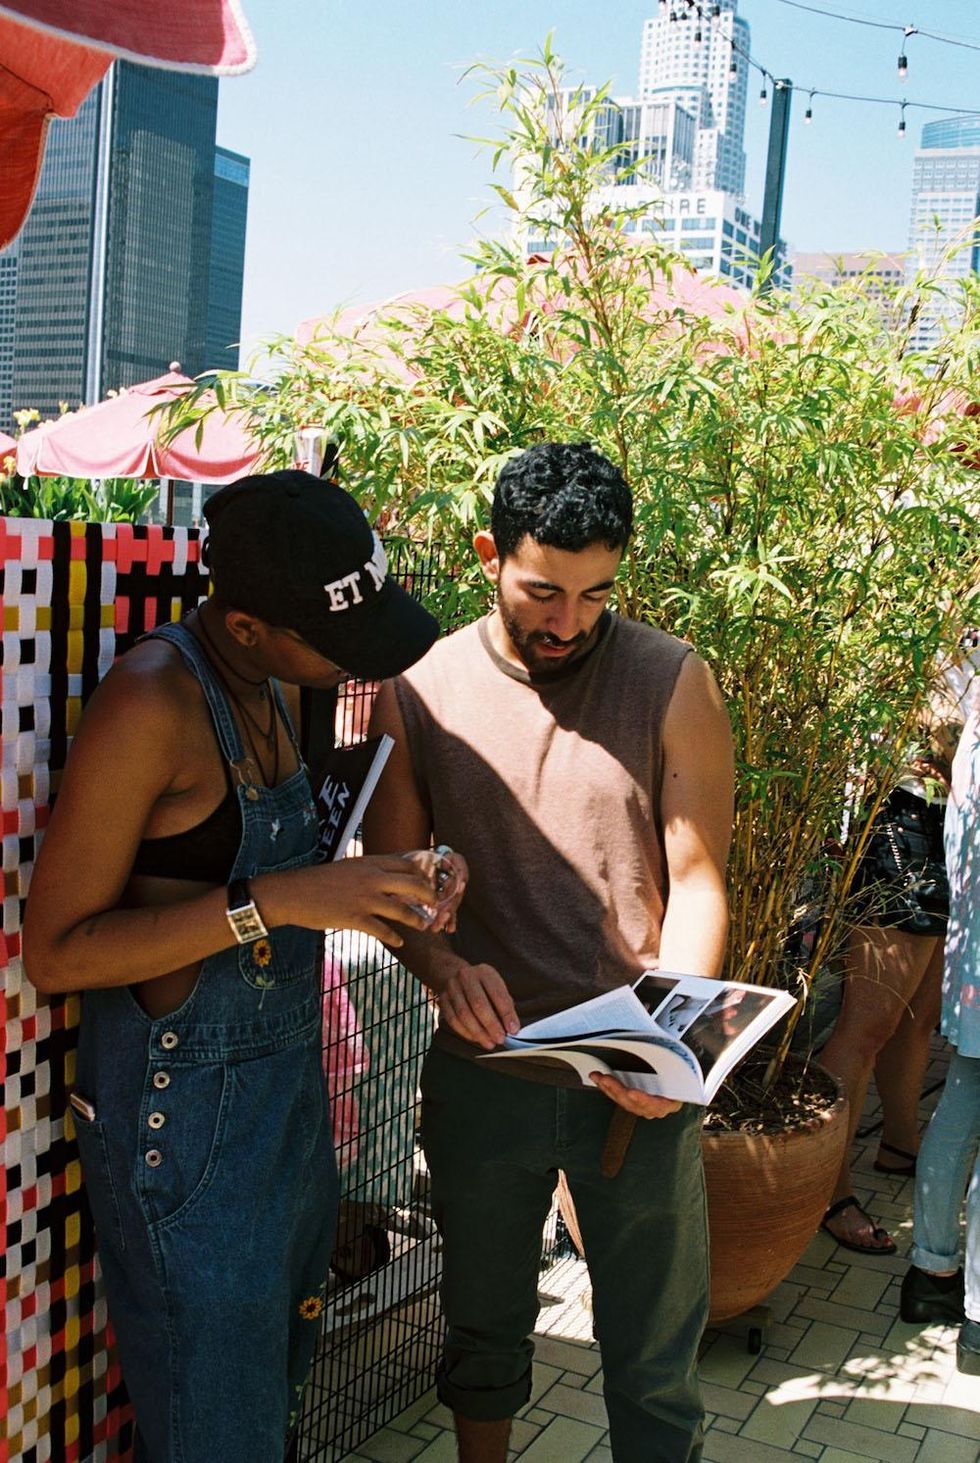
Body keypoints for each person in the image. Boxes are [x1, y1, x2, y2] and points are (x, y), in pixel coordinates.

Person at [23, 470, 451, 1463]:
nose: (347, 668)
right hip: (187, 1134)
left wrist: (398, 887)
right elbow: (56, 949)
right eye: (331, 645)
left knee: (263, 1417)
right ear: (248, 623)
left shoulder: (269, 683)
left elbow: (270, 870)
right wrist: (285, 898)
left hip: (282, 1116)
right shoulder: (153, 701)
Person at [363, 442, 734, 1463]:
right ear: (488, 554)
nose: (567, 620)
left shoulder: (671, 677)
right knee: (479, 1325)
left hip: (636, 1075)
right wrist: (441, 970)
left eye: (593, 592)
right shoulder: (419, 686)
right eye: (541, 590)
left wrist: (673, 1035)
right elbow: (397, 883)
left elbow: (699, 875)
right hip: (484, 1070)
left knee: (653, 1359)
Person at [818, 647, 975, 1254]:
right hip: (902, 814)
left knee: (919, 1018)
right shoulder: (936, 591)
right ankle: (829, 1191)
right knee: (868, 1023)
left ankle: (900, 1144)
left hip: (955, 819)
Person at [900, 700, 980, 1374]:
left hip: (975, 940)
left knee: (962, 1094)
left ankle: (931, 1274)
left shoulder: (976, 702)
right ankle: (979, 1314)